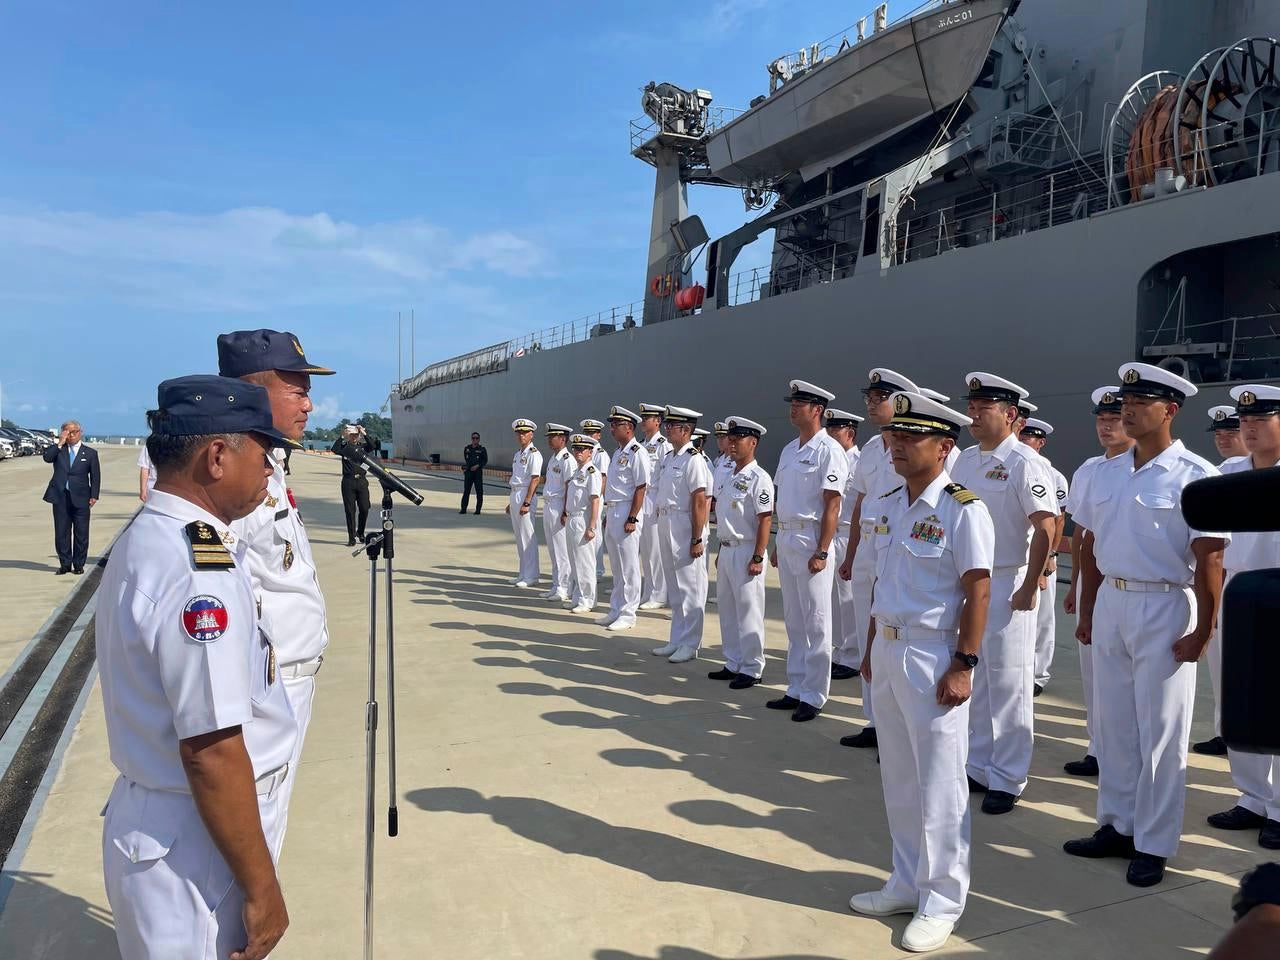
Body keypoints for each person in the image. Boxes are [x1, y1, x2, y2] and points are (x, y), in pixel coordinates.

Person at [97, 374, 296, 960]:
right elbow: (210, 749)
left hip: (159, 823)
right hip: (194, 848)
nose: (269, 469)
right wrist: (263, 889)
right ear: (216, 457)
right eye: (264, 453)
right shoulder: (196, 569)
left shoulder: (150, 535)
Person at [1067, 362, 1227, 887]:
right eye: (1124, 403)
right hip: (1112, 601)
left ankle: (1153, 842)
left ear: (1170, 410)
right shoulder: (1107, 472)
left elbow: (1209, 562)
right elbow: (1088, 547)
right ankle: (1116, 824)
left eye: (1140, 404)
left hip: (1164, 605)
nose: (1127, 411)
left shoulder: (1195, 475)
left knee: (1160, 731)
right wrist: (1088, 608)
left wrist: (1204, 630)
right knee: (1113, 726)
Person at [848, 390, 994, 954]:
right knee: (900, 778)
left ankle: (943, 899)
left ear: (945, 446)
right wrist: (867, 647)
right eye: (895, 436)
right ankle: (905, 881)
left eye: (912, 438)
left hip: (934, 656)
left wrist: (964, 664)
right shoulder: (888, 502)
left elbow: (978, 589)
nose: (898, 445)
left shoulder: (962, 508)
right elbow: (884, 584)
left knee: (939, 783)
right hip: (887, 649)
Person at [217, 327, 334, 854]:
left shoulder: (271, 459)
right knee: (255, 827)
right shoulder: (232, 476)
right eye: (298, 390)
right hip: (264, 687)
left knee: (272, 817)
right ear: (254, 392)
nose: (310, 403)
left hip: (288, 678)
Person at [950, 372, 1056, 816]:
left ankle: (1009, 776)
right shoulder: (965, 461)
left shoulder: (1026, 463)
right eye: (972, 407)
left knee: (1010, 682)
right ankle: (978, 765)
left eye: (984, 408)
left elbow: (1047, 527)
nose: (973, 414)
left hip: (1009, 578)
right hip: (971, 581)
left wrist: (1031, 585)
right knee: (977, 676)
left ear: (1010, 415)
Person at [1203, 384, 1280, 849]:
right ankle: (1252, 797)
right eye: (1245, 421)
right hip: (1237, 593)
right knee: (1239, 696)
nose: (1249, 428)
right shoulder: (1228, 474)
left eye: (1261, 420)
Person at [838, 369, 926, 748]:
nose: (872, 403)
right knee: (867, 635)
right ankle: (875, 720)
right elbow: (860, 500)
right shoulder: (873, 449)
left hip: (902, 553)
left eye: (880, 397)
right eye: (869, 398)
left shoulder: (924, 445)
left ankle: (902, 726)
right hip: (869, 552)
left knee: (899, 639)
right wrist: (853, 552)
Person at [1060, 386, 1132, 778]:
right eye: (1101, 421)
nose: (1106, 427)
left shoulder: (1134, 469)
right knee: (1093, 671)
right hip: (1093, 583)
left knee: (1123, 681)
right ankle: (1097, 745)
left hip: (1129, 581)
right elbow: (1082, 533)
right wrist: (1076, 588)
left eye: (1114, 420)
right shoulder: (1089, 469)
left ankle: (1119, 751)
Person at [769, 380, 848, 723]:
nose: (792, 408)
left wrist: (822, 549)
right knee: (794, 618)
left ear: (817, 410)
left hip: (811, 539)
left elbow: (832, 505)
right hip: (787, 538)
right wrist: (775, 540)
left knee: (816, 619)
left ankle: (814, 694)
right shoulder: (789, 450)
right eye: (792, 402)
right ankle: (796, 685)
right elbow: (781, 499)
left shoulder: (829, 450)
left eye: (799, 403)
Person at [707, 417, 773, 689]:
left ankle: (752, 666)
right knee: (729, 609)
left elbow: (765, 519)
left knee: (749, 611)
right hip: (727, 548)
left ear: (753, 443)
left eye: (738, 440)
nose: (732, 444)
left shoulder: (759, 477)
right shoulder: (730, 475)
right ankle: (733, 661)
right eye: (730, 439)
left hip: (747, 551)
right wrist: (722, 550)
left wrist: (758, 556)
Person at [1195, 404, 1245, 756]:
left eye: (1232, 431)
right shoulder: (1221, 474)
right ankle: (1226, 731)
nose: (1224, 438)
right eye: (1221, 433)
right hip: (1227, 581)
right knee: (1224, 668)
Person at [650, 406, 713, 663]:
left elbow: (700, 501)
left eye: (672, 426)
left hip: (685, 524)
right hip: (666, 521)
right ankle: (676, 638)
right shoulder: (669, 457)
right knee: (674, 587)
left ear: (686, 430)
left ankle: (690, 642)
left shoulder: (694, 459)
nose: (667, 429)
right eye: (667, 425)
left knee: (689, 587)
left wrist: (697, 537)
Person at [1018, 417, 1068, 697]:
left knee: (1043, 620)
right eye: (1022, 436)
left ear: (1041, 442)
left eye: (1031, 438)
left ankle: (1038, 674)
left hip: (1044, 555)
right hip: (1019, 556)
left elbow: (1058, 520)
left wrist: (1050, 557)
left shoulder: (1053, 474)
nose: (1025, 441)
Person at [596, 406, 651, 631]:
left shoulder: (638, 452)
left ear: (628, 428)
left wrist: (632, 517)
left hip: (628, 511)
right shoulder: (619, 452)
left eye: (616, 425)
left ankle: (628, 613)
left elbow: (641, 487)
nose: (611, 429)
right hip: (614, 510)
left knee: (629, 566)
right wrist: (609, 514)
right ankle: (616, 608)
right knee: (617, 566)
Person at [824, 408, 863, 681]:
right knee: (833, 599)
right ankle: (839, 650)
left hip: (851, 534)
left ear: (849, 433)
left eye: (835, 430)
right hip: (832, 534)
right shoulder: (830, 459)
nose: (829, 434)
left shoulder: (860, 461)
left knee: (849, 599)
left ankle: (852, 656)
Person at [42, 419, 101, 575]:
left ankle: (79, 564)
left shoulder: (90, 453)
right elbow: (47, 457)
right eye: (67, 432)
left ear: (80, 433)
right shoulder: (59, 450)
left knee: (81, 533)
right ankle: (65, 564)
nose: (71, 435)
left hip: (82, 497)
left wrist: (94, 495)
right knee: (62, 532)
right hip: (60, 496)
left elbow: (95, 476)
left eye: (74, 432)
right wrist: (60, 443)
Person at [562, 434, 603, 613]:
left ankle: (588, 599)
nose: (577, 452)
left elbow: (595, 500)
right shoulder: (577, 472)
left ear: (590, 452)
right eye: (575, 449)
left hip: (583, 519)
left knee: (585, 562)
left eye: (582, 449)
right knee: (574, 560)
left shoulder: (592, 472)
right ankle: (578, 596)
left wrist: (592, 526)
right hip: (572, 518)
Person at [637, 403, 671, 611]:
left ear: (657, 421)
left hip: (655, 498)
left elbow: (666, 476)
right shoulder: (641, 445)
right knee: (645, 548)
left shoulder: (663, 445)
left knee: (656, 549)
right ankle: (649, 590)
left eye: (647, 418)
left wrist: (661, 501)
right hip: (643, 497)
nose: (643, 421)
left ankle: (659, 593)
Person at [540, 424, 575, 604]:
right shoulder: (554, 458)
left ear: (562, 438)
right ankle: (556, 584)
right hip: (549, 505)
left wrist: (565, 511)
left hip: (559, 505)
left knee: (562, 550)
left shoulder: (567, 459)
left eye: (552, 436)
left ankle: (564, 587)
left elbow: (570, 485)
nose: (549, 439)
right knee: (553, 549)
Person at [507, 419, 543, 588]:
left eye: (525, 432)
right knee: (519, 537)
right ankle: (523, 573)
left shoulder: (534, 454)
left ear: (531, 434)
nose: (522, 435)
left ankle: (532, 575)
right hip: (516, 493)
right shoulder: (518, 454)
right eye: (519, 433)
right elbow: (516, 478)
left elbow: (535, 479)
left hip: (525, 495)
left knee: (528, 536)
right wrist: (511, 502)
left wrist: (527, 502)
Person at [332, 424, 375, 546]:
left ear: (359, 436)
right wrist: (342, 436)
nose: (354, 437)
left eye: (356, 435)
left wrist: (364, 433)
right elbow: (334, 449)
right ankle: (351, 538)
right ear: (349, 436)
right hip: (348, 481)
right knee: (350, 511)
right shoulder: (344, 447)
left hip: (361, 481)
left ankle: (360, 532)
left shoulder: (362, 447)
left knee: (365, 508)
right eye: (352, 435)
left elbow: (372, 446)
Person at [581, 418, 611, 579]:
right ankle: (589, 567)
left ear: (598, 435)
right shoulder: (587, 452)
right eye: (587, 433)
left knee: (595, 532)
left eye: (592, 433)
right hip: (586, 498)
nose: (589, 436)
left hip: (595, 498)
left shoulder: (601, 455)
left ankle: (598, 570)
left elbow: (604, 478)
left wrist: (597, 498)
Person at [461, 432, 488, 514]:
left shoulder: (482, 449)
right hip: (469, 472)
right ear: (471, 439)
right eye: (473, 438)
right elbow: (466, 459)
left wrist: (477, 466)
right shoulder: (467, 448)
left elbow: (485, 460)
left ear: (479, 439)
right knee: (466, 491)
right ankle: (463, 509)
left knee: (479, 491)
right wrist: (466, 468)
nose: (475, 440)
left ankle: (478, 510)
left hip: (477, 473)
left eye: (476, 438)